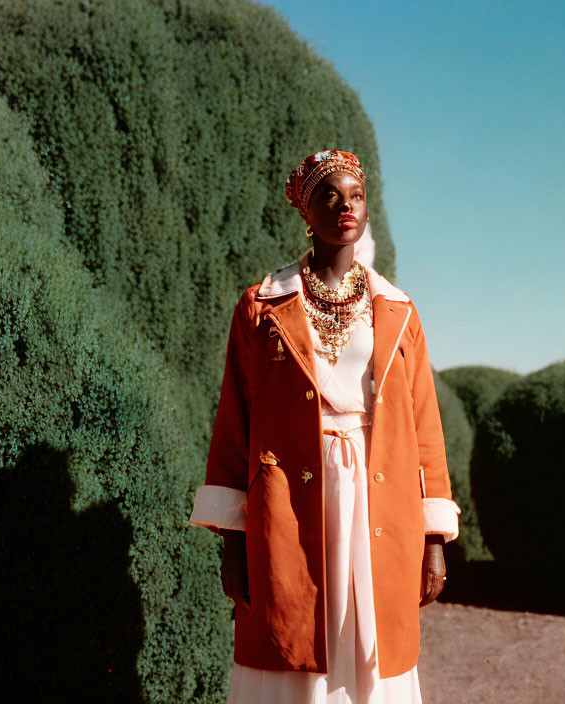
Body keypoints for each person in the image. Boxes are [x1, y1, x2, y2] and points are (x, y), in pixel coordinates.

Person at [190, 149, 461, 703]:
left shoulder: (399, 310)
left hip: (378, 499)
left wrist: (434, 538)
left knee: (372, 641)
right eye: (329, 196)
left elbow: (424, 427)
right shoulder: (262, 308)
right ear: (305, 213)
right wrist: (233, 544)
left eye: (356, 196)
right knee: (291, 630)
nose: (346, 207)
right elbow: (234, 422)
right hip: (288, 499)